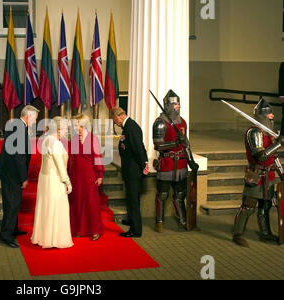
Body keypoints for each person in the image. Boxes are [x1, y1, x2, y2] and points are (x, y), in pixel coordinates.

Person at [233, 98, 283, 247]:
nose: (272, 116)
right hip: (256, 174)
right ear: (262, 116)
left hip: (269, 175)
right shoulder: (254, 132)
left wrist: (282, 173)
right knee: (248, 206)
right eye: (269, 114)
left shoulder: (269, 133)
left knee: (265, 206)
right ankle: (238, 233)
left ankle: (265, 233)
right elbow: (261, 155)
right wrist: (279, 143)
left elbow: (274, 157)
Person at [152, 90, 199, 233]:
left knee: (180, 195)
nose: (178, 106)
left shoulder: (182, 122)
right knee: (162, 195)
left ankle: (183, 221)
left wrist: (191, 160)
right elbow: (158, 145)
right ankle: (159, 222)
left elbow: (186, 144)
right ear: (168, 105)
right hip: (167, 163)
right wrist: (173, 143)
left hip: (181, 163)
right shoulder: (160, 123)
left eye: (179, 103)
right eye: (175, 104)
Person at [0, 105, 39, 248]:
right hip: (12, 173)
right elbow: (18, 156)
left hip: (10, 172)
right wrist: (23, 177)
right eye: (35, 119)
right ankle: (6, 235)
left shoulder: (17, 125)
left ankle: (13, 228)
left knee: (14, 202)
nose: (35, 122)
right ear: (29, 116)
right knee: (12, 204)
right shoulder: (19, 127)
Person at [31, 117, 73, 249]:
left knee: (46, 207)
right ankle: (53, 239)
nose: (67, 131)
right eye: (66, 128)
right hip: (54, 179)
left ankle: (43, 237)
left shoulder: (45, 140)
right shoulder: (56, 143)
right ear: (59, 129)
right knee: (56, 207)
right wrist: (67, 181)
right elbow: (60, 165)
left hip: (44, 178)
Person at [111, 107, 149, 238]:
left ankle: (136, 230)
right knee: (130, 198)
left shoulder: (131, 127)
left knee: (133, 200)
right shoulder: (128, 127)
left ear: (118, 117)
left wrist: (144, 164)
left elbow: (138, 148)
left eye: (115, 121)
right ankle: (132, 221)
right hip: (130, 169)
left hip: (133, 171)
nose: (115, 123)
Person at [68, 114, 105, 241]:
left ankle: (94, 230)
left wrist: (99, 175)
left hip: (89, 174)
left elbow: (97, 157)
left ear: (82, 125)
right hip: (75, 176)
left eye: (76, 125)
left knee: (90, 202)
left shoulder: (93, 139)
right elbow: (71, 159)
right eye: (74, 125)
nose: (74, 128)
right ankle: (78, 229)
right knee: (77, 202)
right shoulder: (73, 139)